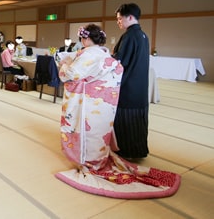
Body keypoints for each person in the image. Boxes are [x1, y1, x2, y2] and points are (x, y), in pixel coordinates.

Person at [55, 24, 180, 199]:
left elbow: (70, 75)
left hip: (88, 103)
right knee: (99, 132)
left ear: (86, 38)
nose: (81, 41)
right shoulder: (104, 53)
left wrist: (63, 65)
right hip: (104, 103)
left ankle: (89, 162)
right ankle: (98, 158)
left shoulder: (89, 54)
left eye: (82, 38)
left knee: (87, 132)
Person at [112, 3, 150, 159]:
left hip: (128, 87)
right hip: (140, 87)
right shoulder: (143, 35)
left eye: (120, 18)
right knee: (138, 122)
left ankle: (126, 152)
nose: (118, 22)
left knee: (126, 119)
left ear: (130, 17)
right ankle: (139, 151)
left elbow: (120, 62)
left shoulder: (129, 36)